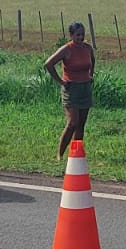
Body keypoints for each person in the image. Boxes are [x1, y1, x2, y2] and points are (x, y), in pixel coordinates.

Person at [44, 22, 95, 161]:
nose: (80, 37)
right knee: (72, 123)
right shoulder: (66, 49)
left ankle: (75, 155)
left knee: (81, 124)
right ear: (71, 35)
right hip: (71, 89)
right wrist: (60, 81)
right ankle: (60, 154)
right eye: (77, 35)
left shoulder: (88, 48)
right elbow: (48, 64)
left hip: (85, 88)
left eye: (82, 34)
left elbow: (92, 60)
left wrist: (91, 75)